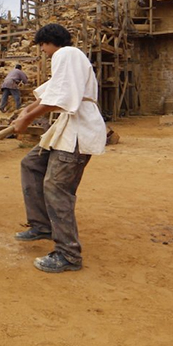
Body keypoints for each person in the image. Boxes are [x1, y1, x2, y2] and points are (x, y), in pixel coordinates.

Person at [12, 23, 107, 274]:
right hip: (66, 130)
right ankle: (42, 225)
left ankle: (69, 254)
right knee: (31, 164)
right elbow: (46, 96)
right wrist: (25, 111)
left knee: (56, 187)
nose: (43, 51)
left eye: (42, 45)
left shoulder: (66, 54)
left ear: (49, 41)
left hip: (77, 131)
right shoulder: (70, 60)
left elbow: (61, 99)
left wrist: (27, 119)